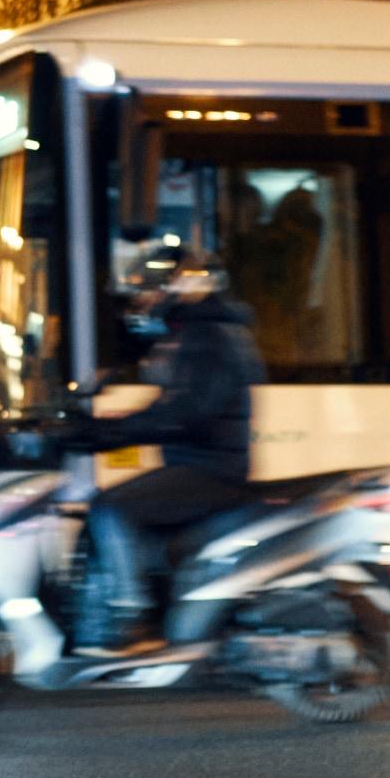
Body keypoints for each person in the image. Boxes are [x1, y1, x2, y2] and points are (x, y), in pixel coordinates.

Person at [76, 245, 264, 654]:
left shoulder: (209, 336)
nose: (143, 303)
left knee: (110, 509)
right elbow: (172, 406)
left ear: (174, 290)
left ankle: (130, 617)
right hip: (197, 462)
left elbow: (186, 412)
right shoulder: (190, 333)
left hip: (212, 470)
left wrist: (119, 432)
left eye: (150, 292)